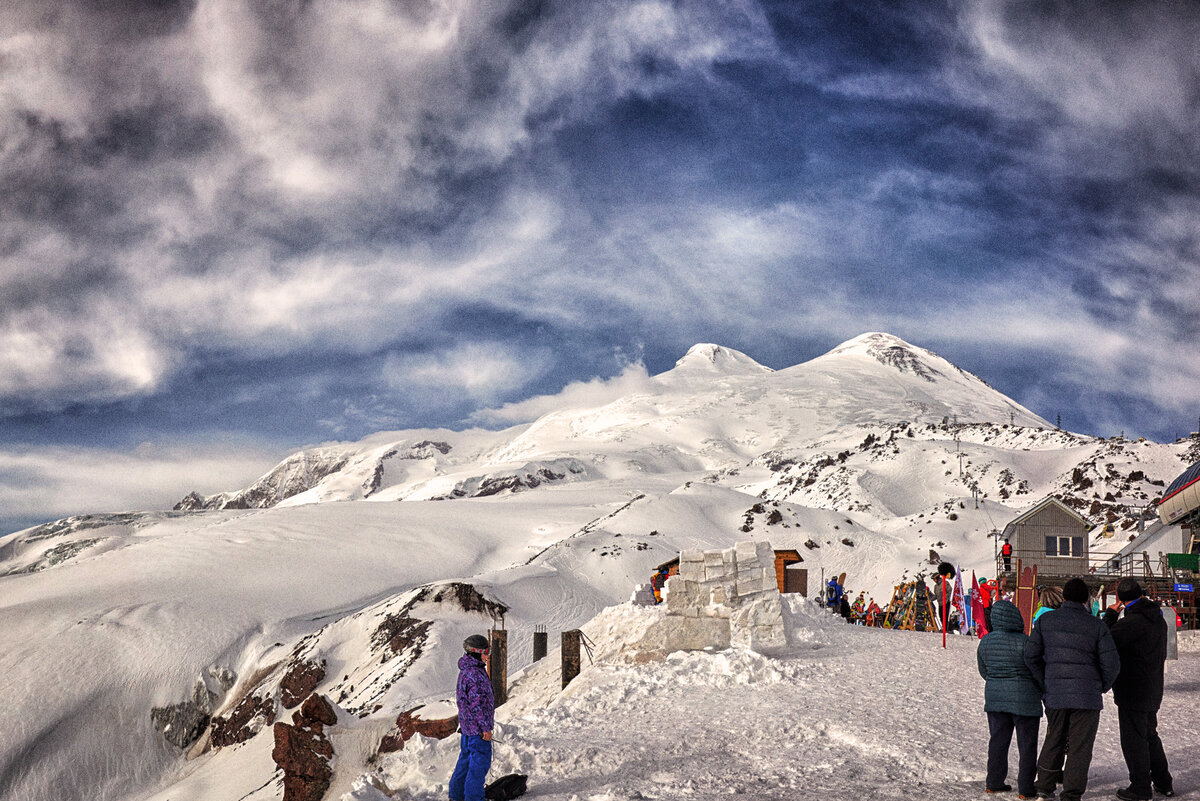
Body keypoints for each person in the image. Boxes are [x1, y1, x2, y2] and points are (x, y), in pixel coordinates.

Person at [1024, 578, 1120, 801]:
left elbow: (1031, 656)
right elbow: (1112, 664)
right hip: (1087, 697)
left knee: (1054, 739)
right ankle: (1072, 793)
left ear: (1064, 597)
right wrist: (1100, 686)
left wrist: (1045, 683)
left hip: (1055, 693)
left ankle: (1044, 786)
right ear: (1086, 600)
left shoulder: (1046, 621)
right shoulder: (1096, 625)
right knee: (1080, 746)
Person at [1103, 579, 1175, 800]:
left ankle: (1140, 787)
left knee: (1134, 739)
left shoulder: (1131, 622)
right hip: (1153, 686)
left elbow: (1105, 640)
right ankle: (1163, 782)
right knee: (1150, 735)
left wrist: (1111, 615)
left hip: (1132, 688)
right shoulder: (1156, 618)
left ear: (1120, 597)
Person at [978, 600, 1043, 797]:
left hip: (996, 700)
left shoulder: (985, 642)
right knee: (1027, 745)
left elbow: (984, 671)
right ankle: (1025, 788)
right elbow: (1036, 670)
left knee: (998, 741)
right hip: (1025, 700)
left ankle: (994, 781)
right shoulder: (1026, 642)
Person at [450, 634, 494, 801]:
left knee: (465, 762)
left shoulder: (466, 670)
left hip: (468, 727)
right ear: (477, 652)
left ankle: (456, 795)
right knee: (478, 766)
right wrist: (485, 728)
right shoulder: (475, 674)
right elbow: (477, 705)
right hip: (477, 729)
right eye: (486, 651)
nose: (488, 655)